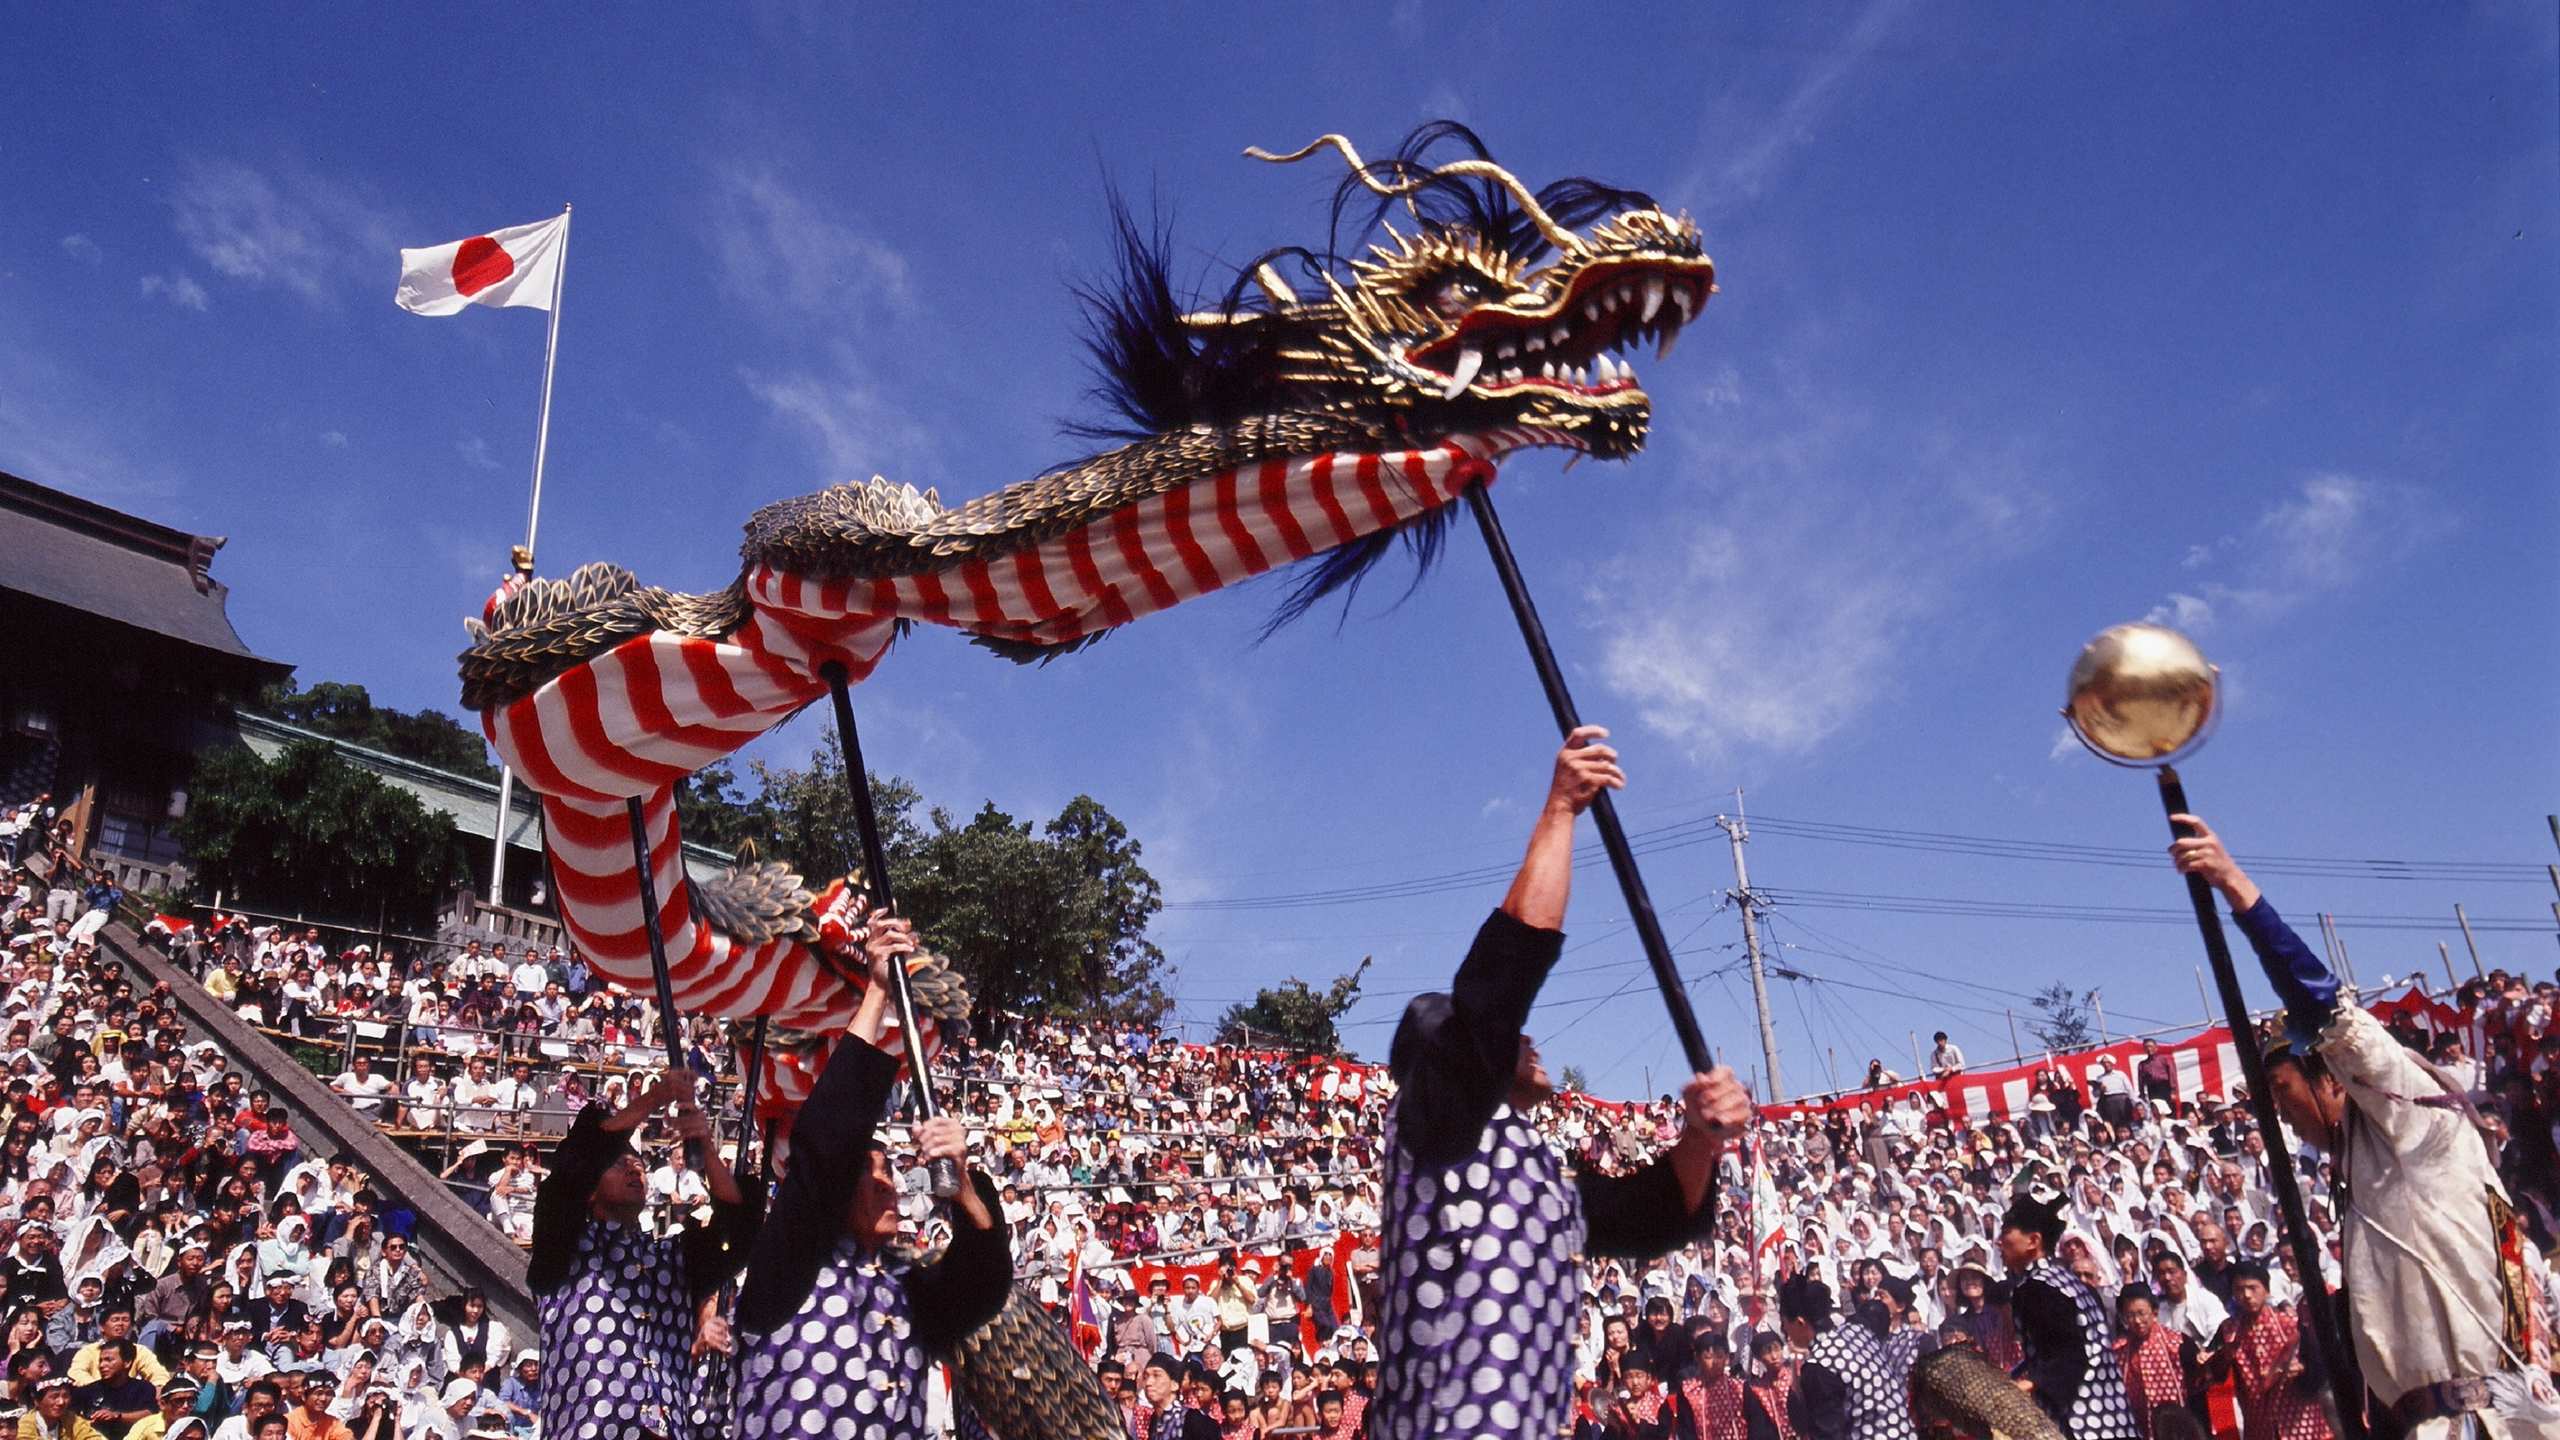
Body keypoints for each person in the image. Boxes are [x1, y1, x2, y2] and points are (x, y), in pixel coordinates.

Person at [1368, 730, 1751, 1440]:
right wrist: (1560, 812)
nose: (1527, 1037)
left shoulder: (1533, 1167)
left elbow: (1654, 1213)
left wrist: (1700, 1137)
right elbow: (1495, 992)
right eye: (1504, 1037)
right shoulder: (1432, 1128)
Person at [2171, 815, 2557, 1436]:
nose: (2278, 1109)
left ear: (2332, 1077)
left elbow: (2326, 1008)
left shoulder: (2414, 1115)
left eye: (2282, 1089)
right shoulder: (2362, 1165)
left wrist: (2232, 884)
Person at [730, 914, 1009, 1439]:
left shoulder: (911, 1287)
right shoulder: (788, 1264)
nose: (891, 1186)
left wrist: (965, 1186)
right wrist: (878, 993)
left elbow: (984, 1285)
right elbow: (827, 1142)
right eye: (871, 1174)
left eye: (891, 1173)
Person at [527, 1059, 759, 1440]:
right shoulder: (564, 1248)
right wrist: (657, 1096)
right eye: (619, 1164)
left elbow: (739, 1225)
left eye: (637, 1163)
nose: (634, 1168)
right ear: (589, 1189)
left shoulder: (675, 1258)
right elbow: (574, 1162)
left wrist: (704, 1146)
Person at [2000, 1192, 2136, 1440]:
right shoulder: (2068, 1281)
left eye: (2006, 1233)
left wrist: (2028, 1385)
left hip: (2080, 1420)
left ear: (2033, 1241)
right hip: (2112, 1415)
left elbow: (2069, 1352)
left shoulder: (2036, 1288)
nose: (1999, 1242)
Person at [2199, 1264, 2329, 1440]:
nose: (2247, 1295)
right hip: (2259, 1423)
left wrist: (2302, 1369)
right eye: (2239, 1289)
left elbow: (2320, 1368)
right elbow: (2214, 1374)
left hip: (2298, 1419)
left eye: (2252, 1288)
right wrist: (2223, 1356)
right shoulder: (2229, 1330)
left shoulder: (2292, 1324)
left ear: (2266, 1290)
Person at [1780, 1276, 1910, 1440]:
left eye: (1785, 1323)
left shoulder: (1818, 1366)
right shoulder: (1857, 1332)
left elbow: (1828, 1432)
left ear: (1800, 1322)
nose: (1784, 1329)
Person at [2111, 1287, 2202, 1440]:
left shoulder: (2177, 1342)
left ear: (2154, 1312)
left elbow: (2196, 1384)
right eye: (2131, 1315)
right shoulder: (2118, 1351)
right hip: (2139, 1428)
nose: (2138, 1321)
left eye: (2141, 1313)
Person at [1139, 1352, 1219, 1440]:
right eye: (1145, 1377)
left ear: (1174, 1384)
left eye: (1157, 1375)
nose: (1148, 1382)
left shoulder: (1195, 1422)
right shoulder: (1155, 1421)